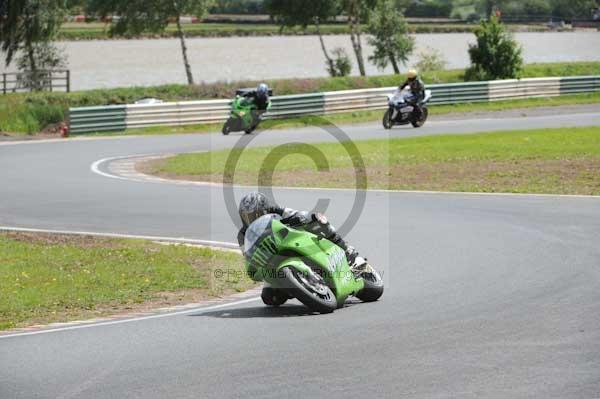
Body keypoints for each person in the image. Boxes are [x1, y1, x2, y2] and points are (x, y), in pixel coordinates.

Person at [237, 192, 365, 277]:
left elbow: (297, 213)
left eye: (257, 214)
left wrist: (306, 218)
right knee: (269, 298)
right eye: (248, 216)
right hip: (271, 262)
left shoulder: (277, 210)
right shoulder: (243, 235)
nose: (253, 219)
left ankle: (348, 253)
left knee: (318, 219)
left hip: (291, 239)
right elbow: (247, 257)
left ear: (266, 209)